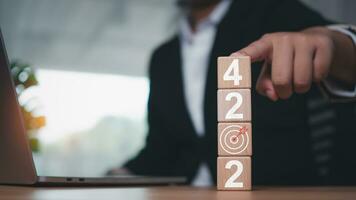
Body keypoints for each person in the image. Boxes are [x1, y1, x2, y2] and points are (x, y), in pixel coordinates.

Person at [109, 0, 356, 186]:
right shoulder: (163, 58)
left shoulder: (276, 12)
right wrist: (114, 176)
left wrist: (331, 41)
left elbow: (334, 48)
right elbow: (160, 149)